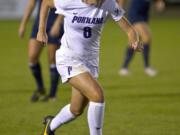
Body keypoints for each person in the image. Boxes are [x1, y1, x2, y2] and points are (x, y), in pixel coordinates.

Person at [37, 0, 142, 134]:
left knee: (76, 110)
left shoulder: (108, 3)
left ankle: (50, 127)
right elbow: (46, 3)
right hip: (68, 58)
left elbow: (129, 29)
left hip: (90, 62)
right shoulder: (68, 1)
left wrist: (135, 41)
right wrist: (41, 30)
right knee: (97, 95)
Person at [18, 0, 64, 102]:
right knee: (32, 58)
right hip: (40, 23)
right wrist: (23, 24)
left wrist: (58, 23)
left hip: (55, 22)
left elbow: (66, 4)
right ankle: (40, 87)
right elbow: (31, 4)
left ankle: (52, 94)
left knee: (53, 59)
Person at [118, 0, 165, 77]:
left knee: (133, 42)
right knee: (146, 38)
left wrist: (159, 2)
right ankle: (147, 67)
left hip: (144, 15)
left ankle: (124, 68)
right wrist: (120, 7)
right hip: (135, 15)